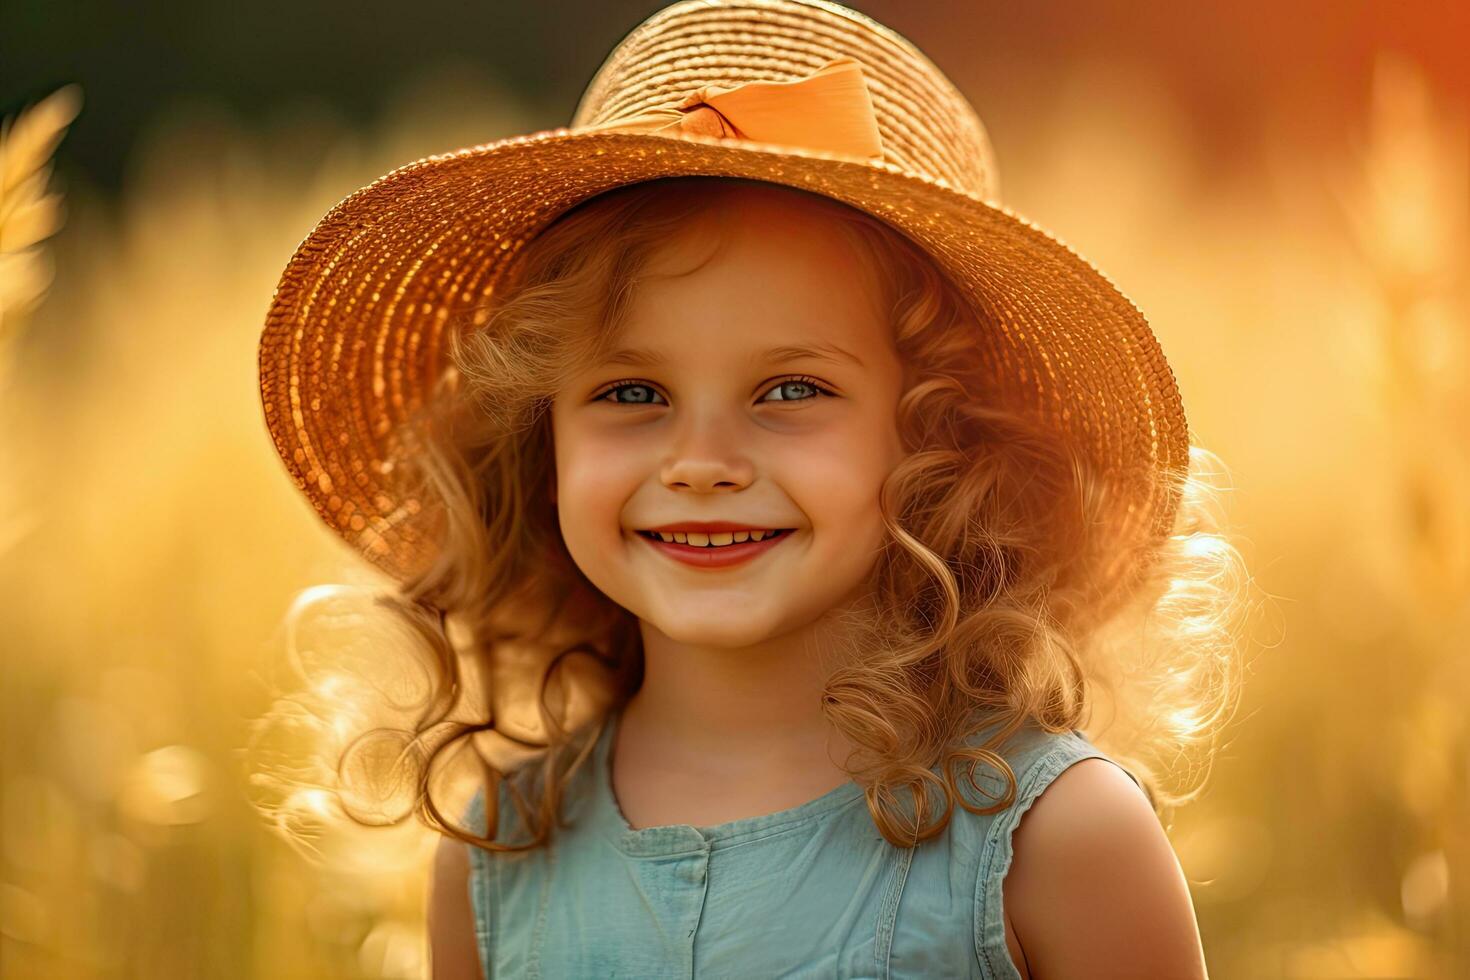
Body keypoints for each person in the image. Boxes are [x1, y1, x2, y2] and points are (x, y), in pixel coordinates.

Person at [257, 1, 1244, 976]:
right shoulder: (495, 857)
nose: (702, 459)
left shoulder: (1054, 837)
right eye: (631, 391)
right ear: (539, 437)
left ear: (939, 436)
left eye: (791, 389)